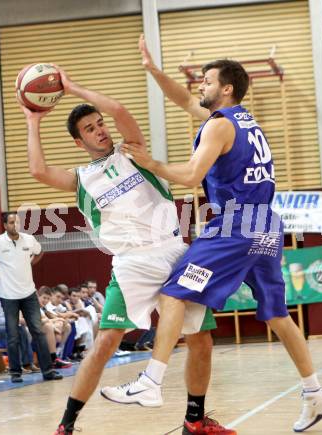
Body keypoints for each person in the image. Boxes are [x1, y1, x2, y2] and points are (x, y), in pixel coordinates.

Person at [102, 35, 322, 434]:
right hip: (266, 225)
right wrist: (154, 72)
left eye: (208, 81)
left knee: (173, 292)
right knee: (279, 316)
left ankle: (151, 382)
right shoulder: (241, 120)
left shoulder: (218, 126)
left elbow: (192, 175)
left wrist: (151, 162)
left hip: (236, 226)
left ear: (225, 88)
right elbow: (183, 100)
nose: (201, 86)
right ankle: (315, 393)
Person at [19, 67, 226, 435]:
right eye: (89, 128)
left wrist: (72, 86)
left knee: (201, 340)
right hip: (132, 263)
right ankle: (66, 425)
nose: (100, 129)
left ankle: (195, 420)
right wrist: (32, 119)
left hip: (175, 252)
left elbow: (119, 110)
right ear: (78, 141)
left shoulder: (133, 150)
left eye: (99, 124)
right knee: (106, 342)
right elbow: (37, 170)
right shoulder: (81, 178)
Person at [0, 213, 63, 383]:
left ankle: (48, 371)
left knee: (38, 331)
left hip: (29, 295)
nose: (15, 225)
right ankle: (15, 372)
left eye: (17, 222)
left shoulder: (28, 240)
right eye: (11, 222)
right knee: (12, 335)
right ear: (5, 225)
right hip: (9, 297)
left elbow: (40, 252)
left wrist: (30, 263)